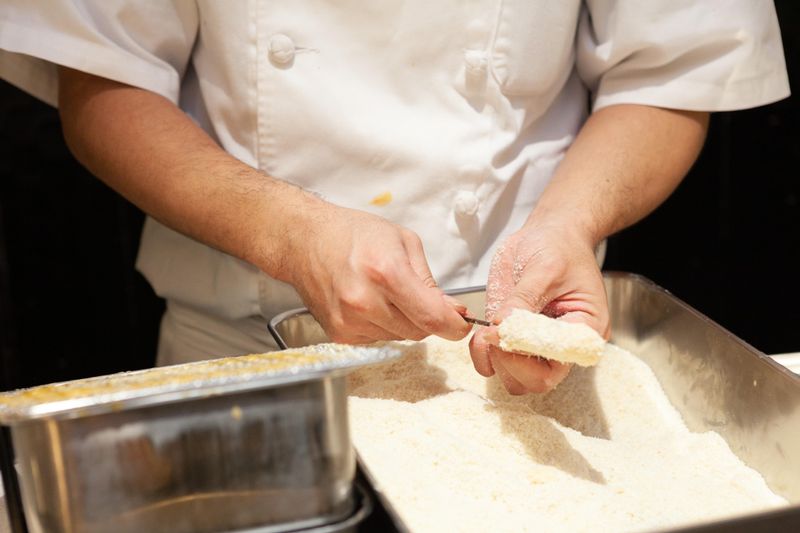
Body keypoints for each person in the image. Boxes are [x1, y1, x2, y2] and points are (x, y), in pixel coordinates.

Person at [0, 1, 789, 394]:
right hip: (243, 356)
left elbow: (671, 69)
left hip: (518, 361)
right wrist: (289, 231)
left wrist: (570, 222)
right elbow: (104, 84)